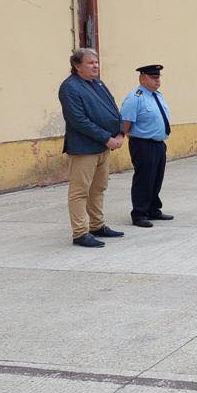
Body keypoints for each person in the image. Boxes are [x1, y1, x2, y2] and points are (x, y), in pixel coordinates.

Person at [58, 48, 125, 248]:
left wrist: (120, 132)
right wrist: (106, 138)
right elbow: (78, 120)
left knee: (98, 188)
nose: (95, 66)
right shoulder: (70, 88)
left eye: (96, 62)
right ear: (77, 66)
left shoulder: (98, 83)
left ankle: (97, 225)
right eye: (90, 63)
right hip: (84, 149)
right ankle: (80, 233)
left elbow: (113, 108)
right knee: (80, 192)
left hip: (103, 147)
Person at [120, 64, 174, 228]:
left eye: (158, 77)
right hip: (142, 144)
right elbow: (126, 123)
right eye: (153, 77)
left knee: (156, 178)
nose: (157, 80)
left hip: (158, 144)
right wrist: (122, 138)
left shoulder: (157, 96)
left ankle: (153, 209)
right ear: (142, 78)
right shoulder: (135, 97)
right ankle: (139, 213)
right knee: (144, 178)